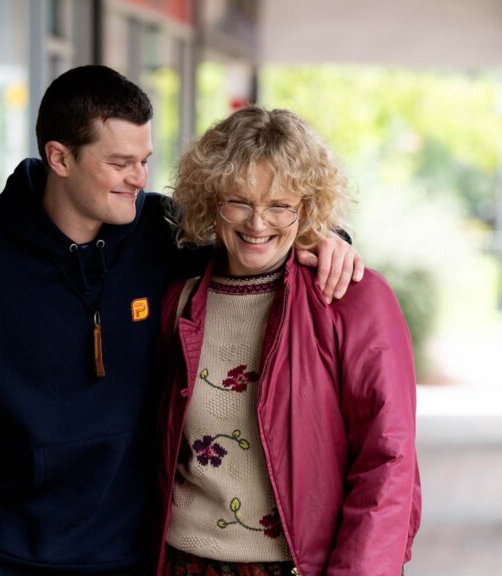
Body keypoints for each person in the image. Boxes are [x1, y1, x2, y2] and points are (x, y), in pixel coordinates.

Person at [0, 66, 364, 576]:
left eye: (144, 161)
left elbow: (259, 236)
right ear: (60, 157)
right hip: (5, 557)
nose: (139, 178)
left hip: (135, 554)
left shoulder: (165, 236)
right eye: (120, 162)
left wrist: (328, 240)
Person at [155, 107, 421, 576]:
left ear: (307, 207)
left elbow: (388, 460)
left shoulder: (352, 299)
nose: (258, 223)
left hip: (294, 567)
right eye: (239, 201)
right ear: (211, 199)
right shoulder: (179, 302)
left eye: (280, 205)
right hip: (184, 561)